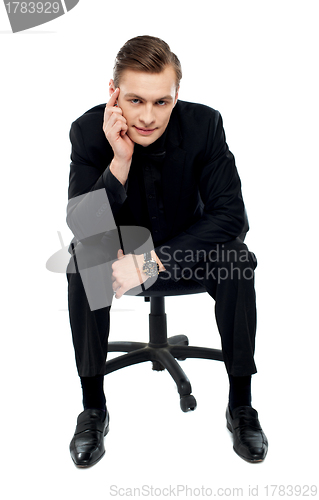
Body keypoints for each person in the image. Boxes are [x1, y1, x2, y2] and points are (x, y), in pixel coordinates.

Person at [66, 35, 268, 468]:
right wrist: (118, 161)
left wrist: (154, 261)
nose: (147, 116)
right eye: (136, 100)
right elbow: (84, 225)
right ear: (113, 92)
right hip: (118, 260)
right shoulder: (87, 131)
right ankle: (92, 407)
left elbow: (231, 216)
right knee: (83, 260)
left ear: (177, 95)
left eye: (162, 102)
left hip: (187, 254)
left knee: (236, 258)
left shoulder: (205, 125)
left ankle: (242, 405)